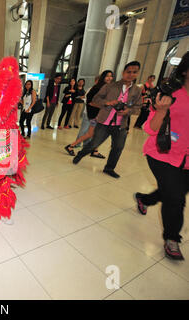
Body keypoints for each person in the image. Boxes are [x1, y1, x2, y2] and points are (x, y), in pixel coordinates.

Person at [134, 52, 189, 260]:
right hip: (162, 154)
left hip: (186, 159)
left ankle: (144, 199)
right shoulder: (171, 93)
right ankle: (172, 238)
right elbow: (150, 128)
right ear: (184, 71)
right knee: (176, 198)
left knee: (174, 191)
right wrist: (162, 110)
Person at [72, 62, 143, 178]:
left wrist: (127, 111)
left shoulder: (137, 91)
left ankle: (109, 168)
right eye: (128, 72)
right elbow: (95, 99)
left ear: (137, 74)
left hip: (121, 124)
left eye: (134, 72)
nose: (131, 74)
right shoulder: (110, 86)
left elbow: (138, 107)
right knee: (94, 143)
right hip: (104, 122)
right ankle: (80, 154)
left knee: (118, 147)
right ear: (123, 72)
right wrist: (108, 103)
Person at [64, 70, 114, 158]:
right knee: (90, 134)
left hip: (100, 115)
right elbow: (90, 102)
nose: (109, 78)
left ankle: (94, 151)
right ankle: (71, 146)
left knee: (95, 134)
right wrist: (104, 106)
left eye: (111, 76)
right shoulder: (97, 88)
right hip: (94, 115)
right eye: (107, 76)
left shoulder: (106, 88)